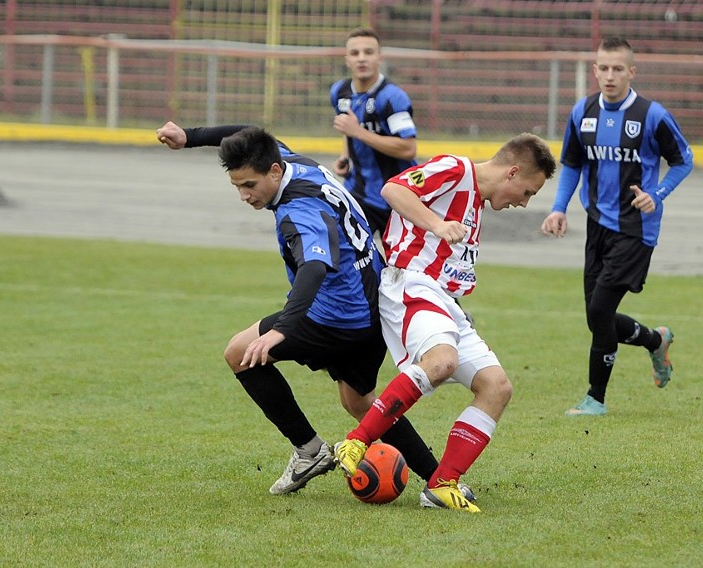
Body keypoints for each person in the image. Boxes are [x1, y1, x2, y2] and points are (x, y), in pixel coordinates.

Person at [155, 122, 474, 500]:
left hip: (335, 316)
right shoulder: (291, 160)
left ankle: (309, 451)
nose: (243, 195)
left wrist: (282, 329)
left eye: (249, 186)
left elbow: (313, 268)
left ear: (273, 172)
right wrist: (190, 137)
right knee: (359, 403)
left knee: (239, 353)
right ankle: (439, 481)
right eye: (237, 186)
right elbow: (249, 131)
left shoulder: (297, 209)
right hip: (372, 303)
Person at [334, 133, 556, 513]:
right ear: (513, 172)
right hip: (411, 283)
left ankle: (442, 485)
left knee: (497, 387)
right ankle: (356, 442)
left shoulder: (477, 203)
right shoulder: (455, 170)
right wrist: (436, 224)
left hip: (444, 302)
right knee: (440, 363)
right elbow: (393, 190)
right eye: (528, 192)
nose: (524, 202)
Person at [540, 37, 694, 416]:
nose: (609, 76)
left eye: (618, 69)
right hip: (598, 225)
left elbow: (684, 160)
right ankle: (655, 340)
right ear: (595, 70)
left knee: (601, 309)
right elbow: (573, 164)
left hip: (636, 229)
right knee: (598, 316)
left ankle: (596, 398)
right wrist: (559, 208)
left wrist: (657, 194)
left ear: (631, 72)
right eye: (603, 68)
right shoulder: (583, 111)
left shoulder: (651, 115)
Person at [329, 27, 417, 236]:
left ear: (379, 58)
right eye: (355, 53)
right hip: (359, 192)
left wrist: (358, 131)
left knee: (400, 265)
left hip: (398, 194)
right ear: (347, 60)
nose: (361, 59)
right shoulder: (339, 92)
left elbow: (408, 148)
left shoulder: (392, 98)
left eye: (368, 52)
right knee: (346, 256)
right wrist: (345, 156)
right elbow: (347, 128)